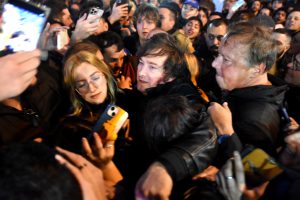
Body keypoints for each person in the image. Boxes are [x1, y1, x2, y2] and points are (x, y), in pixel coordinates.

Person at [119, 33, 217, 199]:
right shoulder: (145, 92)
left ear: (170, 75)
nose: (141, 73)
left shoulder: (183, 95)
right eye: (141, 63)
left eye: (152, 67)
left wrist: (166, 166)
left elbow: (205, 132)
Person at [209, 21, 287, 158]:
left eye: (226, 60)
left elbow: (253, 175)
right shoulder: (262, 91)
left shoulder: (254, 122)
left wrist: (225, 133)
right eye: (218, 55)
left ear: (257, 69)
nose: (214, 64)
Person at [53, 51, 120, 154]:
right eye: (81, 84)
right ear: (76, 90)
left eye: (95, 78)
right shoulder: (71, 128)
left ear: (105, 75)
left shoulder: (127, 99)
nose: (92, 88)